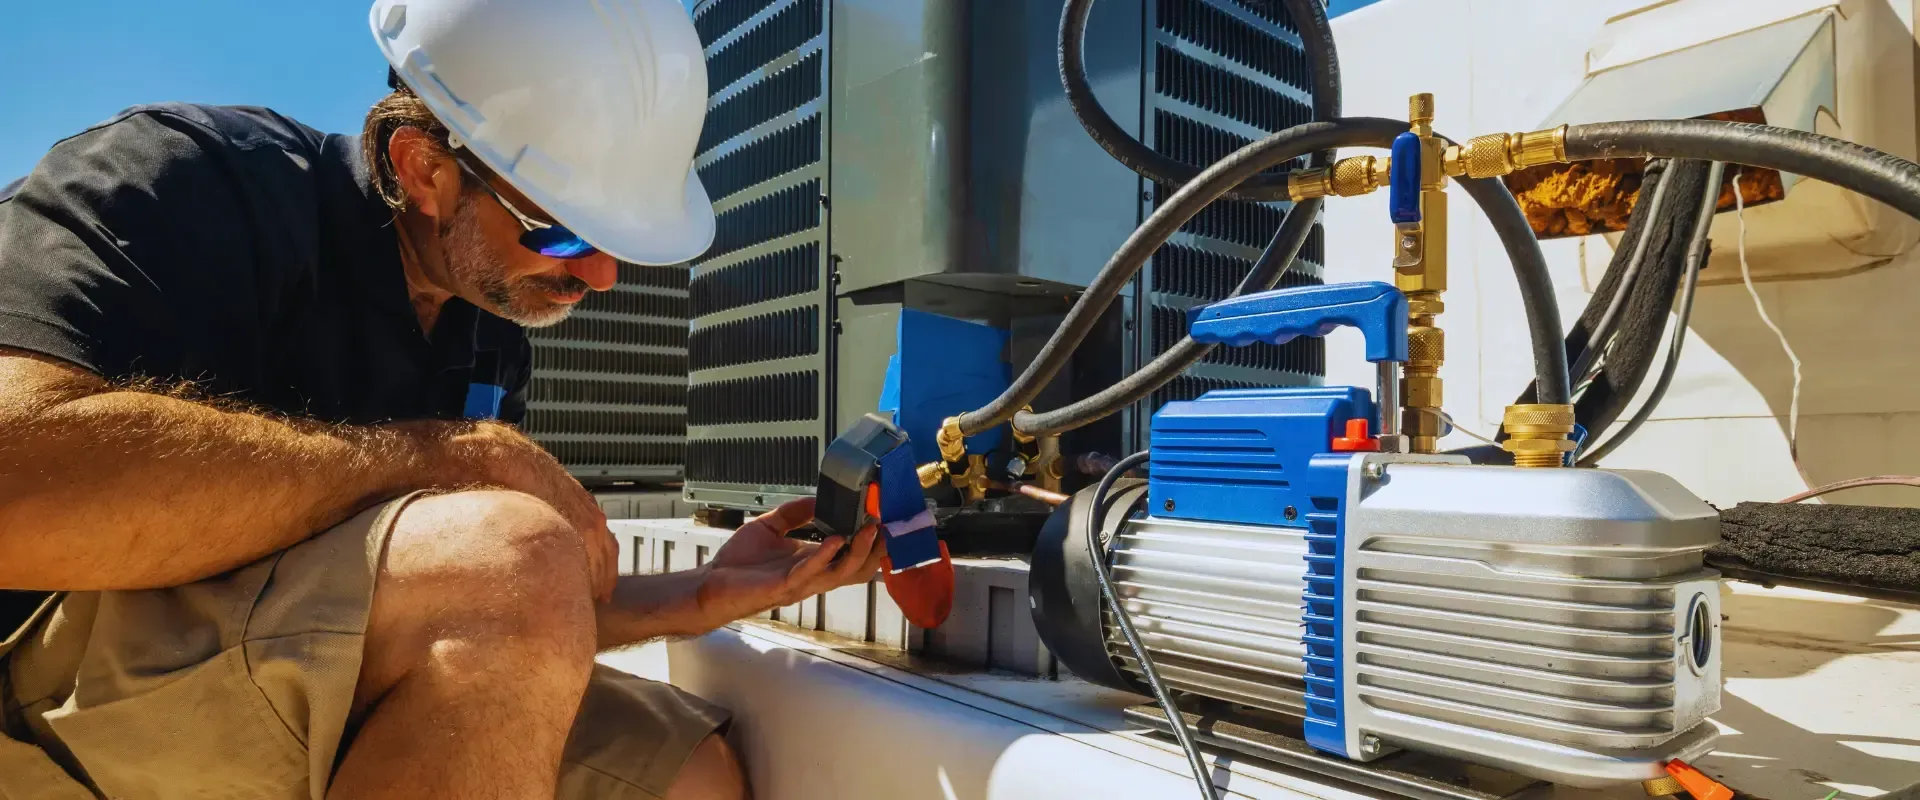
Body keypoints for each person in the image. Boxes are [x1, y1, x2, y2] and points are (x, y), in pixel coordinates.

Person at [0, 1, 879, 797]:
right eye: (565, 231)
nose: (602, 277)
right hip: (40, 703)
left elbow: (486, 615)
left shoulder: (483, 335)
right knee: (512, 553)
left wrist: (704, 594)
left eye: (616, 240)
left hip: (285, 678)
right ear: (423, 170)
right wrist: (448, 458)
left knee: (688, 780)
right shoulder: (186, 186)